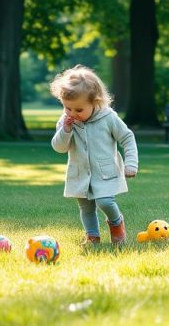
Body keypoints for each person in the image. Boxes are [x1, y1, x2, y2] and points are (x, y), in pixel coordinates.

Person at [50, 65, 139, 246]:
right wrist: (66, 130)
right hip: (80, 172)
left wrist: (131, 163)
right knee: (86, 207)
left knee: (105, 201)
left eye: (79, 110)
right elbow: (59, 147)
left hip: (104, 171)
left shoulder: (108, 118)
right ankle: (92, 236)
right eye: (68, 108)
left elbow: (127, 138)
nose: (72, 114)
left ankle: (116, 224)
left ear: (95, 102)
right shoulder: (66, 122)